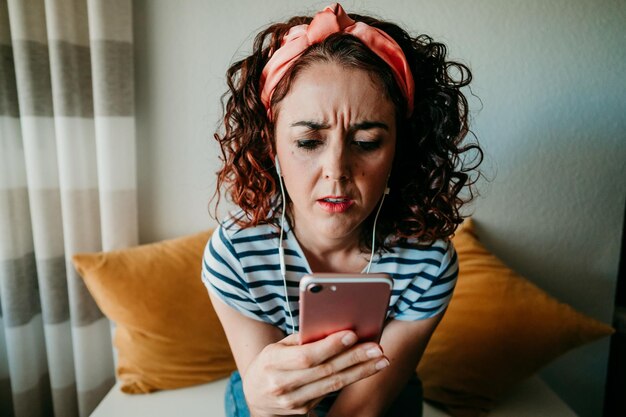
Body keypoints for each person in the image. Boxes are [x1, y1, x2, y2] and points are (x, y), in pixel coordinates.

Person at [202, 3, 482, 416]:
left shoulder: (429, 262)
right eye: (309, 142)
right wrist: (263, 405)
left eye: (366, 142)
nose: (336, 172)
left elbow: (362, 408)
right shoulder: (235, 255)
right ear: (272, 146)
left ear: (399, 152)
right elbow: (268, 400)